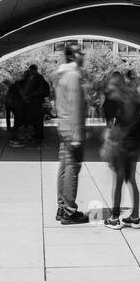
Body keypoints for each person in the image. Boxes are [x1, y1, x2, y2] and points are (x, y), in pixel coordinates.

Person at [100, 72, 140, 229]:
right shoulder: (134, 96)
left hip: (120, 144)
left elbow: (110, 124)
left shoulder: (112, 99)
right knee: (131, 180)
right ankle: (136, 217)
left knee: (117, 181)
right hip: (135, 142)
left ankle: (114, 218)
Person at [54, 42, 89, 224]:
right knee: (72, 169)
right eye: (80, 52)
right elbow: (76, 106)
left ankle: (61, 207)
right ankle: (69, 210)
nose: (83, 55)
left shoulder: (61, 74)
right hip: (73, 129)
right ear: (74, 56)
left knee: (64, 167)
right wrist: (77, 136)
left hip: (63, 127)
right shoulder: (74, 75)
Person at [22, 64, 51, 145]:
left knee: (37, 119)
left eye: (30, 70)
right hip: (38, 101)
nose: (30, 72)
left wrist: (30, 95)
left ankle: (38, 136)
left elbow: (39, 90)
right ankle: (38, 135)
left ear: (33, 70)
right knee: (37, 119)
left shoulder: (38, 78)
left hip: (36, 101)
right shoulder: (38, 77)